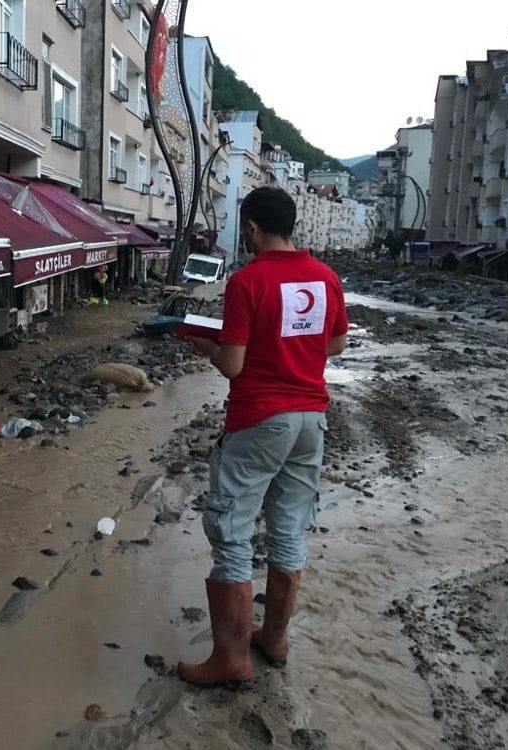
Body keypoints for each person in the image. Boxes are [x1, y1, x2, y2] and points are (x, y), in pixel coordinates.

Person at [179, 186, 349, 684]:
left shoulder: (247, 281)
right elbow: (335, 343)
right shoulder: (324, 277)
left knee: (232, 533)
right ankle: (273, 640)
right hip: (310, 420)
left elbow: (232, 365)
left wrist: (204, 347)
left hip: (258, 419)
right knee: (288, 532)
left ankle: (230, 661)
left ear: (252, 228)